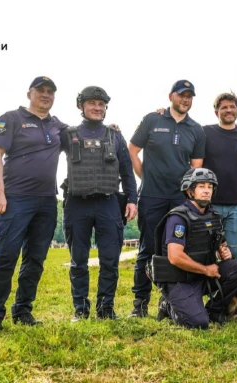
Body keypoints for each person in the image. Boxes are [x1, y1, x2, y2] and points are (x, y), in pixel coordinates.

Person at [0, 76, 65, 332]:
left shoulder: (58, 126)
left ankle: (23, 310)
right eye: (40, 90)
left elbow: (85, 133)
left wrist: (113, 127)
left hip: (47, 201)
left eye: (50, 91)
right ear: (29, 93)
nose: (45, 95)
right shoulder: (11, 119)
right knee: (6, 255)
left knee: (36, 259)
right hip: (15, 199)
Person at [128, 80, 206, 317]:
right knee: (148, 249)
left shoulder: (196, 129)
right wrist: (146, 177)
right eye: (182, 95)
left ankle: (168, 303)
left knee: (177, 250)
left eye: (190, 96)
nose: (185, 99)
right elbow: (132, 150)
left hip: (180, 201)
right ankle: (140, 303)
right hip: (151, 196)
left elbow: (196, 168)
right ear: (171, 96)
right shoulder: (153, 119)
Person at [61, 86, 138, 321]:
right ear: (81, 106)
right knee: (78, 261)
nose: (97, 108)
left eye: (101, 104)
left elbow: (127, 171)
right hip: (77, 204)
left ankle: (106, 308)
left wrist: (132, 200)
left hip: (108, 203)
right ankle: (80, 309)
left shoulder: (115, 136)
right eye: (92, 103)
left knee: (110, 261)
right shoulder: (68, 134)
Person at [151, 168, 237, 329]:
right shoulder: (179, 217)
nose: (206, 191)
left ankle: (214, 310)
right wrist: (205, 270)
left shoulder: (214, 215)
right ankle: (168, 305)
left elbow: (218, 243)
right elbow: (175, 257)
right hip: (180, 279)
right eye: (201, 186)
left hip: (202, 276)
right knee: (198, 324)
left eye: (210, 187)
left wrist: (223, 251)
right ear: (190, 191)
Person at [202, 93, 237, 259]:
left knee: (234, 253)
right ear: (217, 112)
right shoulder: (205, 132)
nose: (229, 110)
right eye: (224, 107)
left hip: (236, 205)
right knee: (207, 252)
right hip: (209, 204)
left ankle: (231, 285)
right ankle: (208, 285)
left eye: (232, 107)